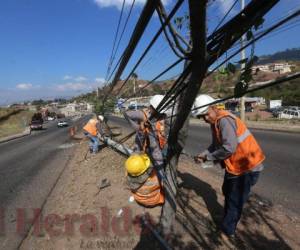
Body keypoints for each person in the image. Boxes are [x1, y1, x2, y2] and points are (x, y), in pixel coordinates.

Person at [193, 94, 265, 238]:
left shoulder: (225, 120)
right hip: (235, 167)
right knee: (227, 191)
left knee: (234, 200)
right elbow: (215, 146)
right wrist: (204, 154)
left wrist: (208, 158)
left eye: (206, 114)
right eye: (201, 117)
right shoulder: (215, 123)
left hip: (247, 167)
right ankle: (227, 220)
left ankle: (227, 230)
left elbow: (228, 148)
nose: (205, 119)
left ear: (213, 108)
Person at [124, 95, 167, 168]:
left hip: (155, 143)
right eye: (157, 111)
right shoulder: (142, 114)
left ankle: (158, 170)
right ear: (151, 107)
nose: (159, 113)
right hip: (142, 139)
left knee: (158, 158)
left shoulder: (162, 115)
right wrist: (138, 127)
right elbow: (126, 114)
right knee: (137, 155)